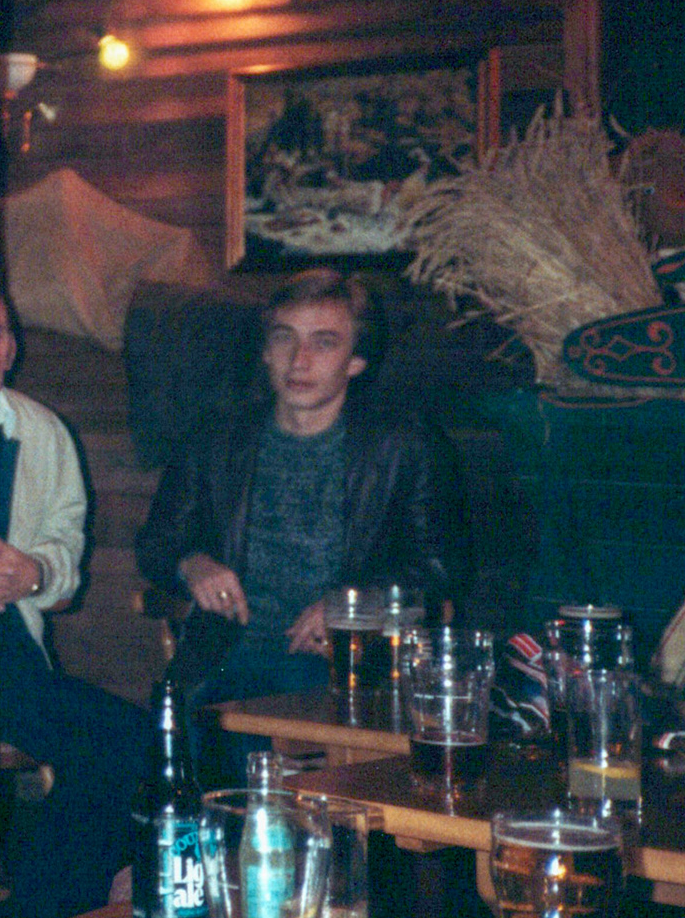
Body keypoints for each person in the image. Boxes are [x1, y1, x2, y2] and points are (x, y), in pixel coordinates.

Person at [135, 269, 468, 773]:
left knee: (289, 768)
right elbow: (156, 543)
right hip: (228, 654)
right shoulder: (218, 437)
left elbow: (442, 566)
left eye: (324, 342)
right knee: (181, 749)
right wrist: (193, 563)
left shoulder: (403, 444)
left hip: (346, 668)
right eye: (284, 338)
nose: (299, 360)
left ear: (356, 361)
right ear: (266, 351)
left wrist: (354, 606)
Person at [0, 296, 149, 918]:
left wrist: (34, 572)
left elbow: (66, 557)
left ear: (10, 348)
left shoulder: (42, 431)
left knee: (130, 739)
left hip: (9, 655)